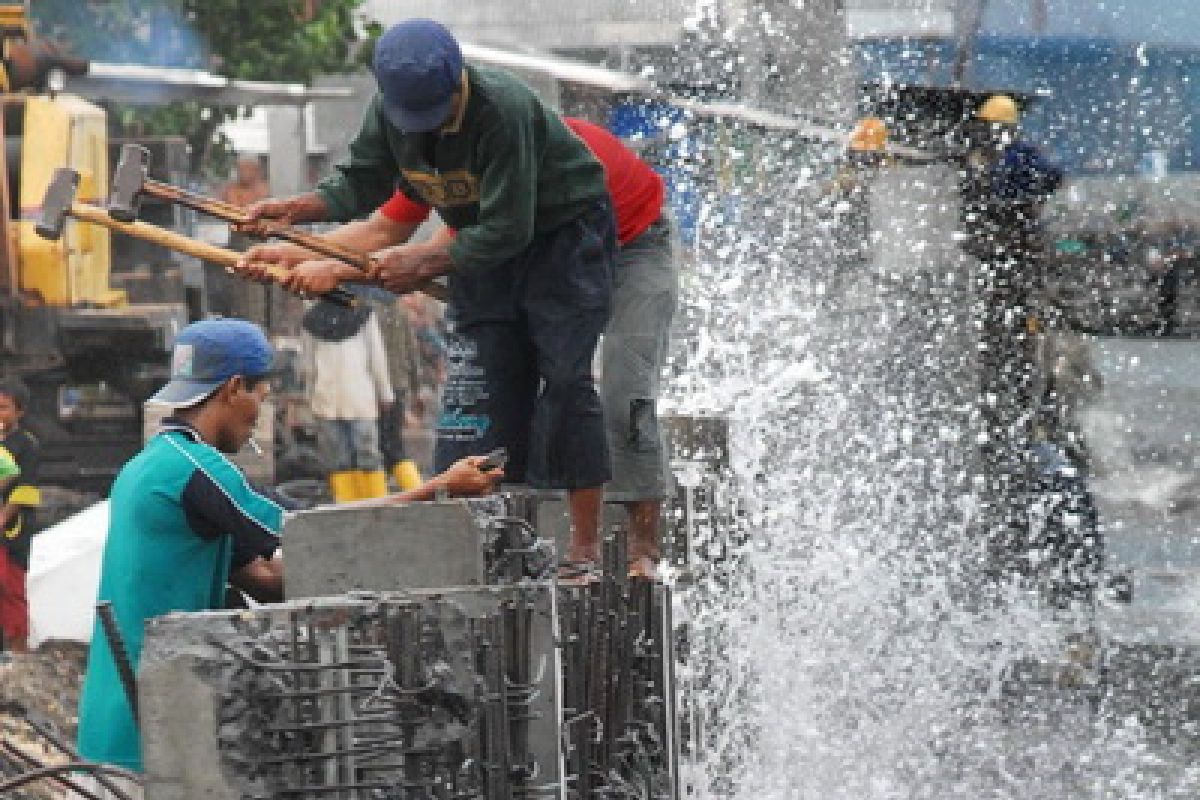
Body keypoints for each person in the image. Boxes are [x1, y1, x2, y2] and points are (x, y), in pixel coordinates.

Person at [236, 19, 617, 577]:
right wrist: (298, 212)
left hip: (560, 239)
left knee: (564, 380)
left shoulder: (503, 109)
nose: (427, 129)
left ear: (458, 82)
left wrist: (419, 263)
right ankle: (488, 546)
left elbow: (509, 228)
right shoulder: (391, 112)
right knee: (478, 388)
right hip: (482, 249)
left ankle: (583, 549)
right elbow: (359, 185)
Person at [76, 319, 503, 790]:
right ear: (234, 388)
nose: (260, 414)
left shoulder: (151, 465)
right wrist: (439, 489)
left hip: (121, 714)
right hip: (147, 719)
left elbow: (265, 577)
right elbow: (310, 529)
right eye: (261, 396)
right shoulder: (196, 469)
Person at [301, 297, 394, 501]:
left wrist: (310, 398)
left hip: (330, 397)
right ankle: (374, 505)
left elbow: (309, 367)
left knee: (341, 459)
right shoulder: (362, 313)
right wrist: (385, 392)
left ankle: (352, 505)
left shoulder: (313, 319)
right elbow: (376, 357)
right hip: (355, 395)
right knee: (364, 455)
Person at [0, 378, 41, 653]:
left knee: (11, 590)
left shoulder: (25, 445)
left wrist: (3, 519)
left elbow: (26, 489)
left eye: (3, 408)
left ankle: (19, 651)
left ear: (19, 412)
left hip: (11, 533)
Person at [374, 291, 426, 491]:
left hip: (378, 385)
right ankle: (413, 488)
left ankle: (388, 490)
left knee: (382, 442)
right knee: (392, 439)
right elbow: (411, 351)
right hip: (398, 383)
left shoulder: (368, 311)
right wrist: (416, 387)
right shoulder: (399, 310)